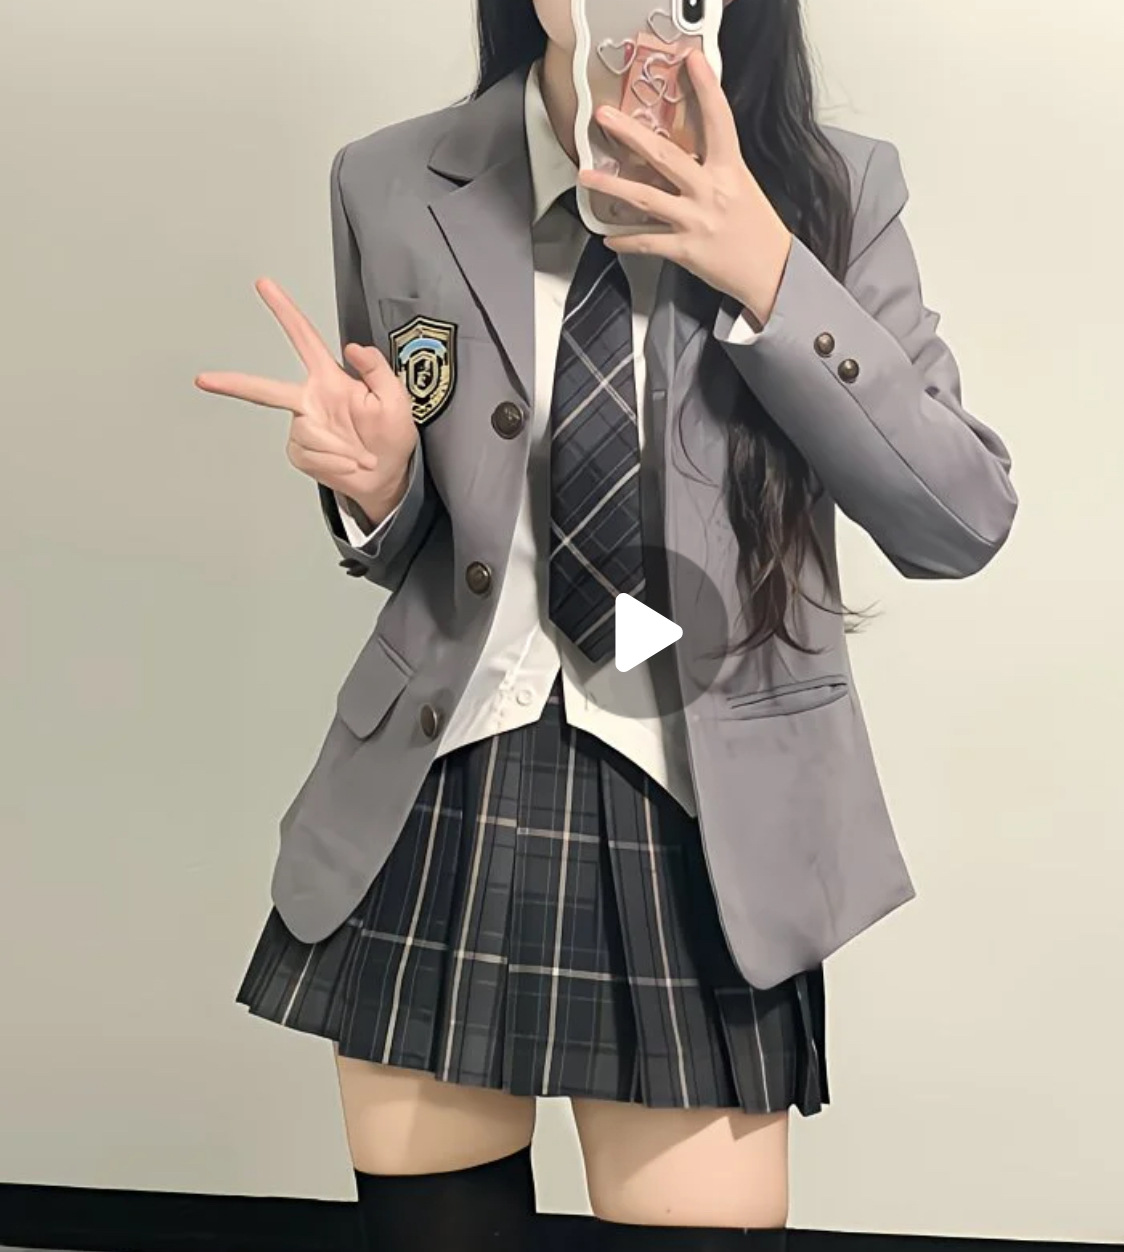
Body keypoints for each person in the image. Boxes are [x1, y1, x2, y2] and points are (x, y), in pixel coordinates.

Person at [194, 0, 1018, 1248]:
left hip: (699, 809)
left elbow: (959, 519)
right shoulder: (390, 178)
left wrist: (772, 273)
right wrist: (376, 486)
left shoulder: (833, 188)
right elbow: (428, 537)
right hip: (440, 786)